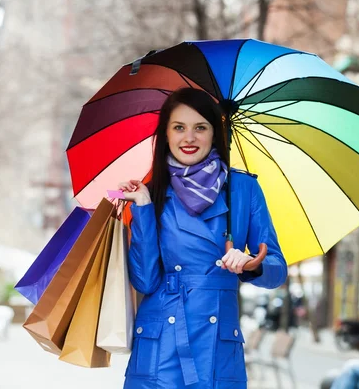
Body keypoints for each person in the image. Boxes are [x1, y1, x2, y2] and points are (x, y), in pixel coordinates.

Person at [119, 87, 288, 389]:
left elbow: (277, 268)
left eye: (200, 127)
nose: (189, 137)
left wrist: (251, 263)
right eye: (179, 127)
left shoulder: (243, 189)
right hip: (161, 349)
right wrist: (143, 209)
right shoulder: (151, 192)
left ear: (215, 133)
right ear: (166, 135)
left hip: (218, 348)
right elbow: (144, 281)